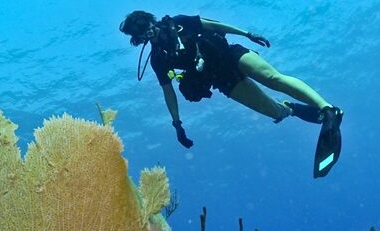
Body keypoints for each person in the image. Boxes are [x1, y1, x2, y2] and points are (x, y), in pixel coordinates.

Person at [119, 11, 344, 178]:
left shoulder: (179, 22)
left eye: (144, 24)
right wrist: (177, 124)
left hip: (230, 55)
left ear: (150, 19)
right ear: (137, 38)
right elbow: (168, 92)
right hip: (221, 79)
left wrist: (248, 34)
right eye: (139, 31)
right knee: (274, 111)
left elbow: (214, 25)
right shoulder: (159, 59)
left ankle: (328, 109)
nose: (147, 31)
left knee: (273, 78)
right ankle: (291, 108)